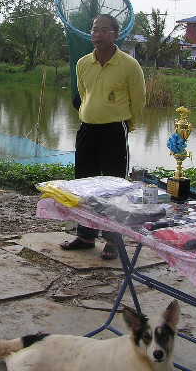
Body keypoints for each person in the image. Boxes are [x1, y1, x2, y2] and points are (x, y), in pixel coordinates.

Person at [61, 14, 146, 260]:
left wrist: (127, 125)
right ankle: (86, 235)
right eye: (95, 29)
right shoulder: (83, 63)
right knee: (83, 185)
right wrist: (91, 113)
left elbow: (138, 100)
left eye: (104, 30)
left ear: (116, 34)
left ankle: (113, 240)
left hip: (114, 131)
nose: (98, 34)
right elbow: (84, 94)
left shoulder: (129, 65)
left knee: (113, 188)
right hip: (87, 129)